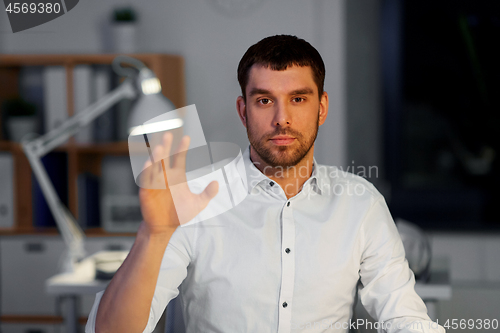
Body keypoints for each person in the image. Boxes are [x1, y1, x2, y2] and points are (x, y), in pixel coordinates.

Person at [87, 35, 445, 333]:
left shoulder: (360, 204)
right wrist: (154, 234)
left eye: (298, 99)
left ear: (321, 108)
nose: (281, 119)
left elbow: (405, 317)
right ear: (244, 111)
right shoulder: (194, 198)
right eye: (264, 101)